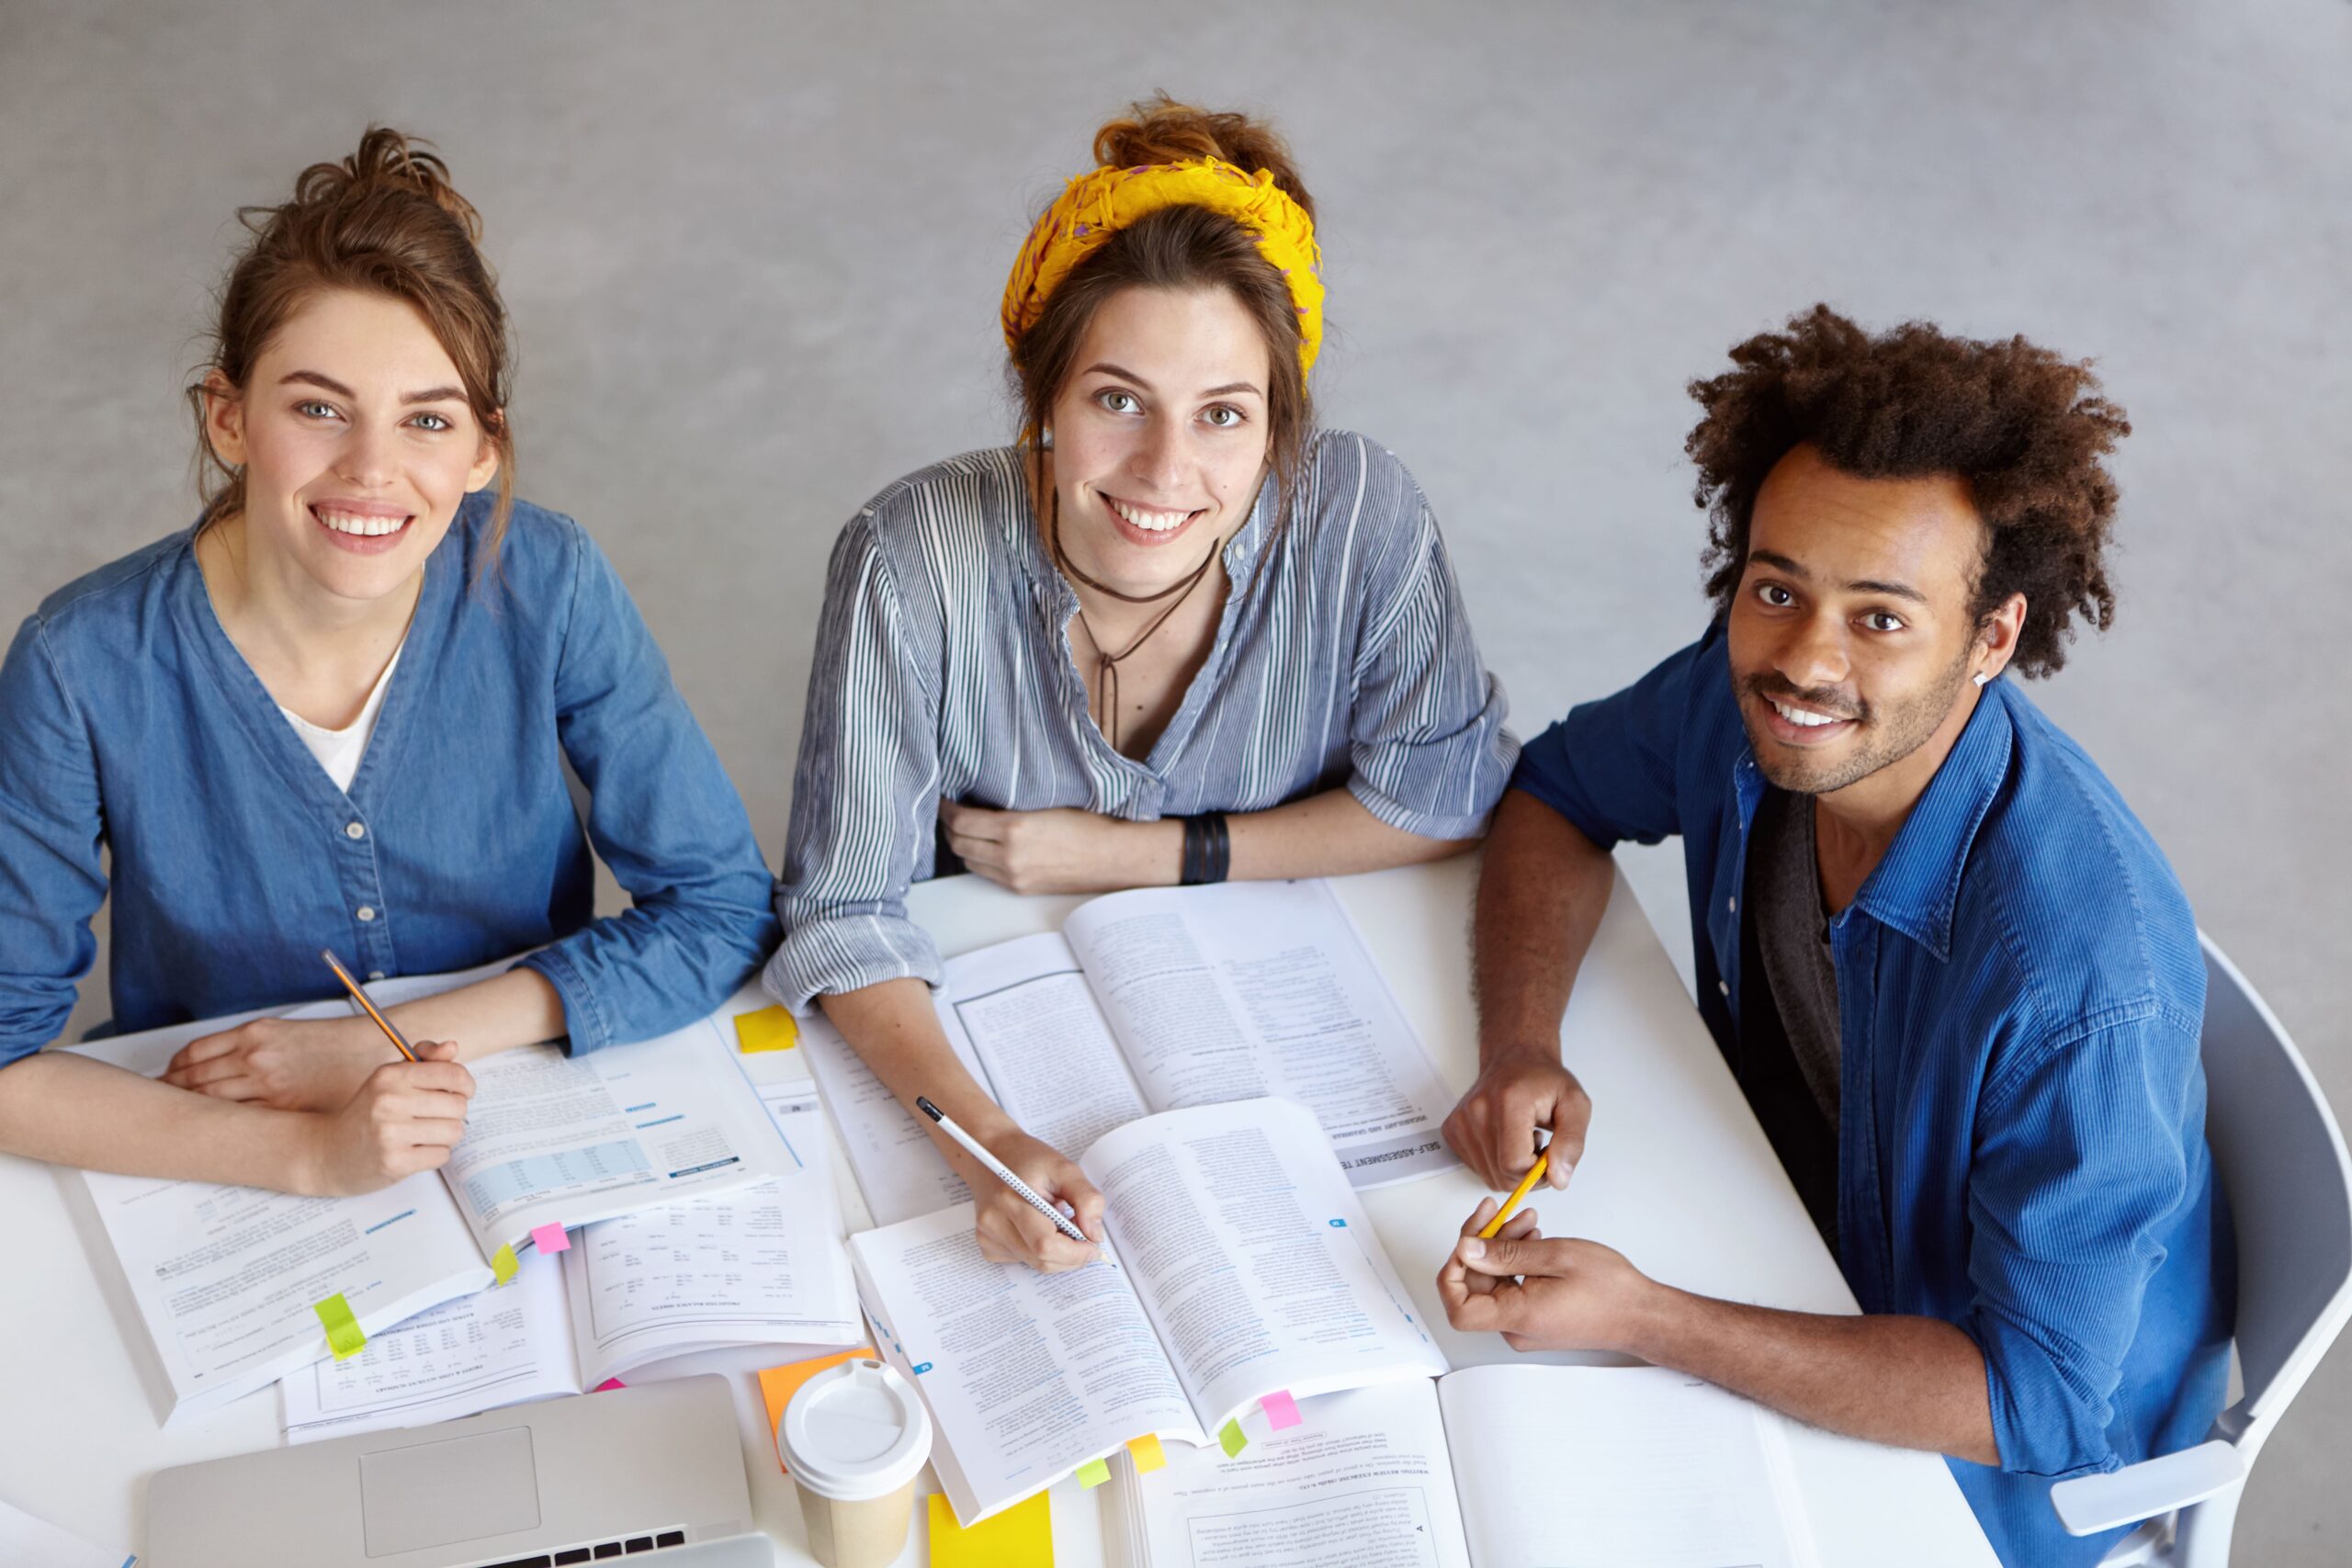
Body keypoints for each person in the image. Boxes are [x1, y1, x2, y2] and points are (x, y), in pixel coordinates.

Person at [1437, 306, 2230, 1566]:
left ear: (1993, 635)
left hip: (1981, 1470)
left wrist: (1652, 1318)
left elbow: (2031, 1402)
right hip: (1774, 1239)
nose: (1805, 659)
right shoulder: (1748, 691)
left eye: (1880, 615)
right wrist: (1519, 1040)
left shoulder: (2087, 984)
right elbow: (1559, 790)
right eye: (1776, 587)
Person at [770, 97, 1514, 1273]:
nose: (1168, 473)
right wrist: (988, 1145)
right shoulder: (907, 558)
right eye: (1118, 400)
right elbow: (844, 915)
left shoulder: (1360, 513)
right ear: (1042, 406)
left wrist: (1134, 853)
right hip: (1000, 1015)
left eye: (1224, 415)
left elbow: (1444, 797)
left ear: (1277, 428)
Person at [0, 130, 778, 1198]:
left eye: (426, 420)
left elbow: (720, 908)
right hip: (220, 1154)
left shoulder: (547, 582)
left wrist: (384, 1043)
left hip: (515, 1108)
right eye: (318, 408)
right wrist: (311, 1154)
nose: (371, 471)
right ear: (229, 417)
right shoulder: (78, 663)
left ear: (482, 450)